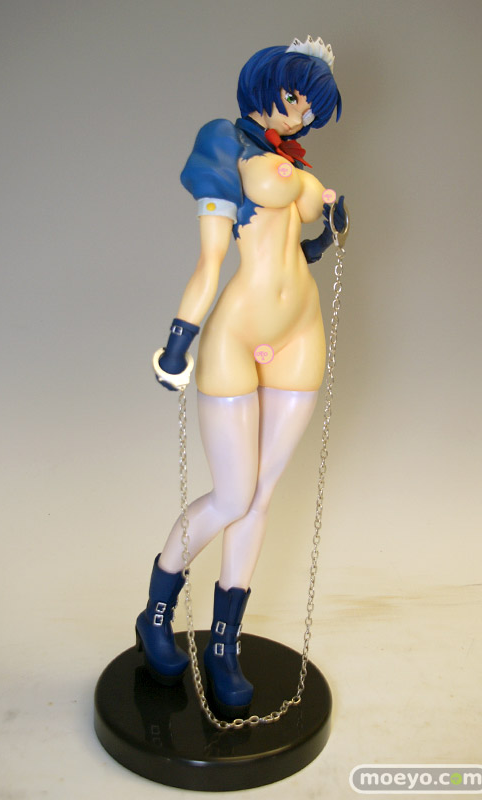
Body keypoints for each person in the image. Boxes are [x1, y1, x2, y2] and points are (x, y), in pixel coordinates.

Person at [136, 36, 347, 718]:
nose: (302, 116)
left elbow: (297, 251)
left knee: (260, 496)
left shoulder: (295, 161)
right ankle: (157, 611)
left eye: (312, 108)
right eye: (296, 100)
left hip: (300, 331)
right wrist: (177, 343)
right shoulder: (222, 143)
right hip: (236, 333)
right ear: (265, 88)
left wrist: (328, 231)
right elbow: (211, 262)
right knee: (231, 495)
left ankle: (223, 644)